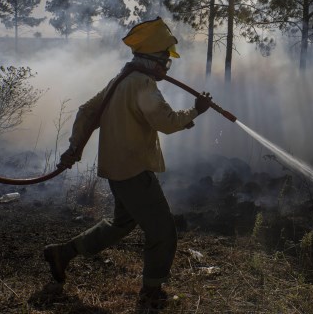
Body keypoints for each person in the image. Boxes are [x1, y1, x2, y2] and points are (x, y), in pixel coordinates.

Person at [43, 17, 212, 309]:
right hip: (134, 171)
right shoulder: (142, 83)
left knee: (121, 224)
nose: (166, 67)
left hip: (117, 169)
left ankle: (63, 253)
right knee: (163, 232)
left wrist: (74, 148)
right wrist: (195, 111)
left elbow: (86, 111)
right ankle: (151, 292)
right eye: (164, 60)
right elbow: (166, 122)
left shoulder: (120, 80)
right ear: (152, 59)